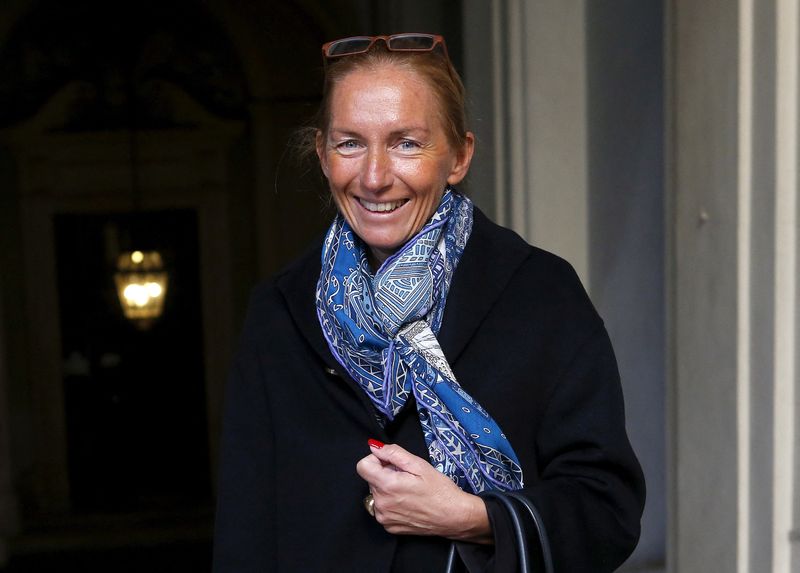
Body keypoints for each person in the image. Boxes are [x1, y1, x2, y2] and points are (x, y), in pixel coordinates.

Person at [212, 33, 645, 572]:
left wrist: (471, 517)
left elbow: (609, 510)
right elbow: (244, 534)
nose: (374, 177)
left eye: (406, 143)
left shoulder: (541, 294)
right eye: (350, 143)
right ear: (322, 155)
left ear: (459, 156)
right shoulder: (279, 312)